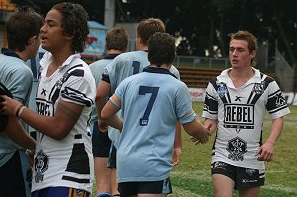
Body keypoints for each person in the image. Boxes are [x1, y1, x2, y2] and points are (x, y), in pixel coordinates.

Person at [1, 2, 95, 196]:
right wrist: (33, 150)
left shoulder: (78, 73)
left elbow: (58, 128)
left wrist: (18, 110)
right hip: (44, 173)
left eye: (51, 24)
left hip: (69, 174)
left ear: (69, 33)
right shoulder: (45, 67)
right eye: (44, 23)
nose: (43, 29)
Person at [100, 32, 210, 197]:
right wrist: (203, 133)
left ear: (149, 56)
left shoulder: (129, 82)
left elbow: (105, 114)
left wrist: (124, 126)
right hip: (154, 162)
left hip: (126, 161)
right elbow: (192, 128)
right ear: (173, 56)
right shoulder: (177, 87)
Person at [201, 30, 290, 197]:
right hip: (222, 155)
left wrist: (271, 143)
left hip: (253, 158)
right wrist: (205, 130)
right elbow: (211, 120)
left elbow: (278, 116)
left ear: (252, 53)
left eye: (240, 50)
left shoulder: (267, 84)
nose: (234, 54)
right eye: (231, 49)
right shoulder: (216, 84)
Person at [95, 18, 182, 174]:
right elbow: (176, 112)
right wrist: (177, 144)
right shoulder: (172, 70)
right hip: (156, 139)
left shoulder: (121, 60)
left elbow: (100, 94)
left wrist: (103, 118)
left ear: (139, 38)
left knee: (120, 186)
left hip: (123, 134)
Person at [0, 7, 43, 197]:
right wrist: (35, 146)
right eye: (40, 38)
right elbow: (9, 122)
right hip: (7, 158)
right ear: (32, 40)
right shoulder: (21, 71)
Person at [89, 26, 128, 197]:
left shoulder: (92, 68)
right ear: (126, 46)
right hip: (123, 127)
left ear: (106, 44)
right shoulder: (130, 66)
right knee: (119, 184)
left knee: (103, 184)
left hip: (98, 124)